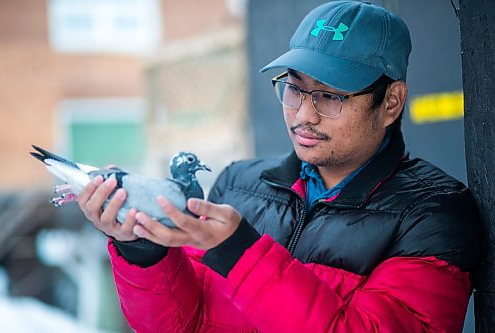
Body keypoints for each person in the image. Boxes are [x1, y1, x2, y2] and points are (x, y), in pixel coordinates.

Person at [77, 1, 480, 332]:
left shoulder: (434, 212)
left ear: (390, 102)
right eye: (294, 88)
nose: (304, 115)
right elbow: (186, 323)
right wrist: (143, 250)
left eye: (329, 96)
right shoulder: (239, 184)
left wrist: (240, 253)